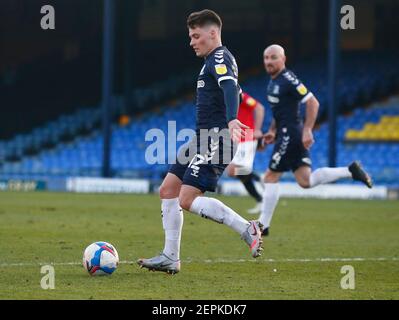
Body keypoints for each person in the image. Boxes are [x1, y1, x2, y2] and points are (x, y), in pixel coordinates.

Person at [137, 9, 263, 275]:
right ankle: (170, 257)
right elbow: (236, 90)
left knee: (187, 198)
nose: (191, 41)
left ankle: (246, 228)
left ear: (213, 33)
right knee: (168, 189)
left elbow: (230, 88)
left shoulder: (219, 56)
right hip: (201, 137)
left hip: (217, 136)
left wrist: (230, 120)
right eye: (190, 36)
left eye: (196, 36)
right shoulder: (214, 62)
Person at [259, 44, 373, 236]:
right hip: (285, 132)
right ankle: (350, 171)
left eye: (273, 57)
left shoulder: (288, 79)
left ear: (283, 59)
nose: (269, 61)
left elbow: (312, 102)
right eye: (266, 58)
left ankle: (263, 225)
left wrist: (307, 130)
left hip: (291, 134)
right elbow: (279, 111)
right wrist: (271, 130)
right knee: (305, 181)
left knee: (270, 176)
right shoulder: (273, 82)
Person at [226, 92, 265, 214]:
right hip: (236, 137)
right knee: (241, 175)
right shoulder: (224, 96)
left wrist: (258, 129)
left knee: (232, 171)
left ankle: (260, 178)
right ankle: (260, 199)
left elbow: (259, 107)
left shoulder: (239, 94)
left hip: (246, 136)